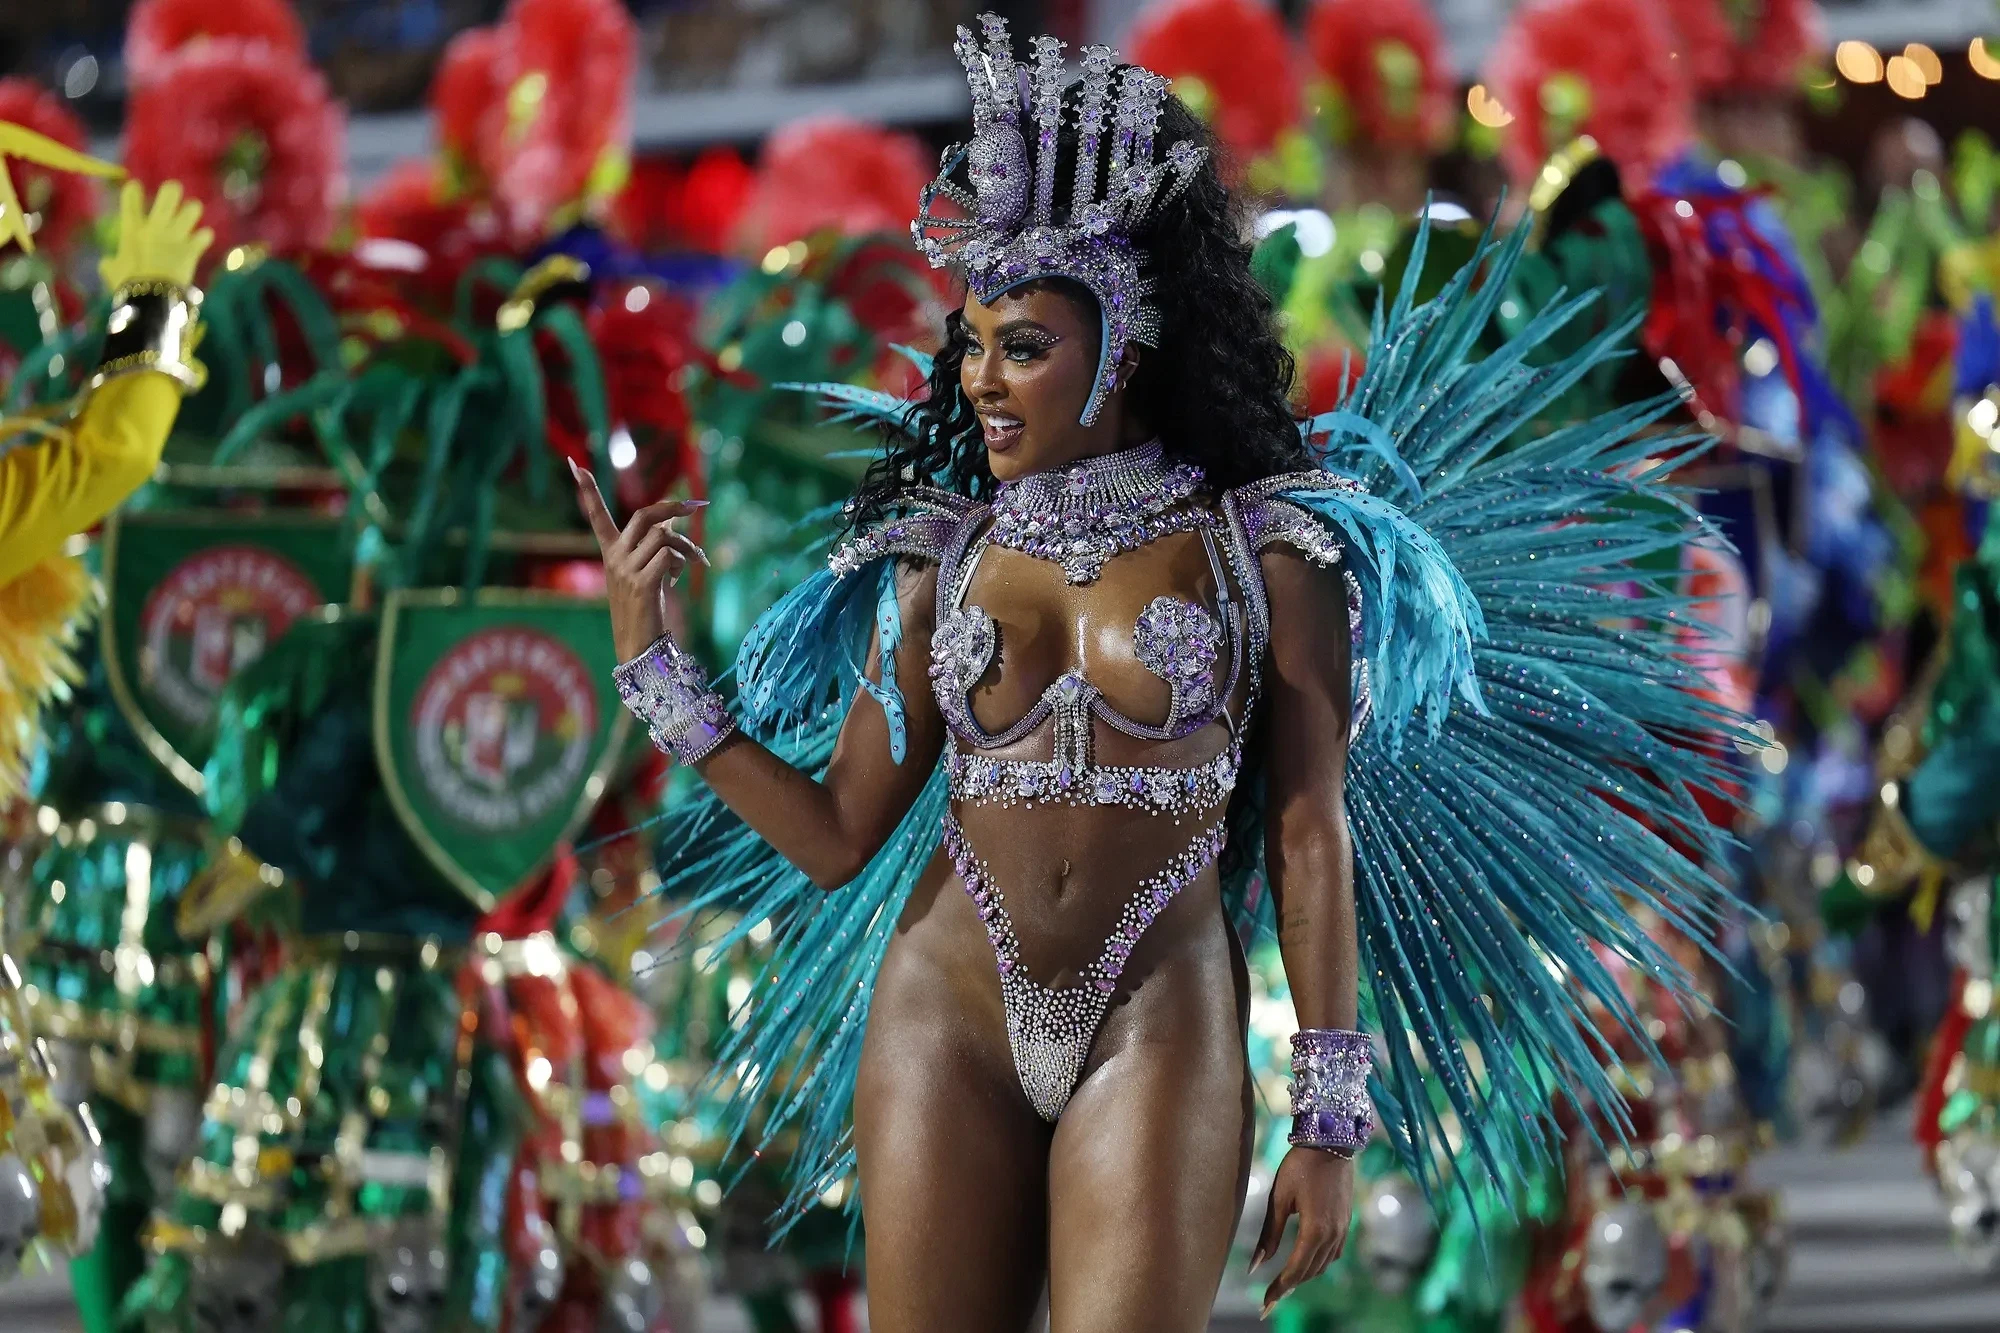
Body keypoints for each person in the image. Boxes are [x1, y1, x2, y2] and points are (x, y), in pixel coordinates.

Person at [578, 17, 1744, 1331]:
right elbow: (841, 833)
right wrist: (658, 678)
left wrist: (1330, 1117)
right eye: (973, 346)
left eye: (1025, 348)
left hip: (1157, 1016)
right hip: (944, 1010)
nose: (983, 384)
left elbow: (1309, 833)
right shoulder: (937, 563)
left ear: (1123, 345)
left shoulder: (1267, 556)